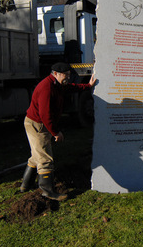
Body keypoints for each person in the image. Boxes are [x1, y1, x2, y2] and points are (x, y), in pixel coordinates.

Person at [20, 62, 96, 201]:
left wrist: (87, 86)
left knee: (36, 155)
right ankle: (47, 190)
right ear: (55, 74)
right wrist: (55, 132)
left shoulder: (57, 84)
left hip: (40, 123)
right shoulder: (46, 88)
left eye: (69, 75)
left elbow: (70, 87)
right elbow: (45, 115)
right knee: (45, 158)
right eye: (65, 75)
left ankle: (25, 185)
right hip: (37, 124)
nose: (67, 77)